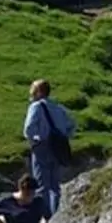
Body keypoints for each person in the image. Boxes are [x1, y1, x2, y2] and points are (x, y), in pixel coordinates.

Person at [22, 79, 75, 213]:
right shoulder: (58, 107)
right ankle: (56, 213)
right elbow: (72, 124)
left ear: (39, 92)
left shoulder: (36, 107)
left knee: (42, 185)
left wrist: (35, 139)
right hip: (58, 147)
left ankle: (46, 216)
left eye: (33, 92)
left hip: (42, 147)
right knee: (55, 186)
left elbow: (28, 129)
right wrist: (64, 136)